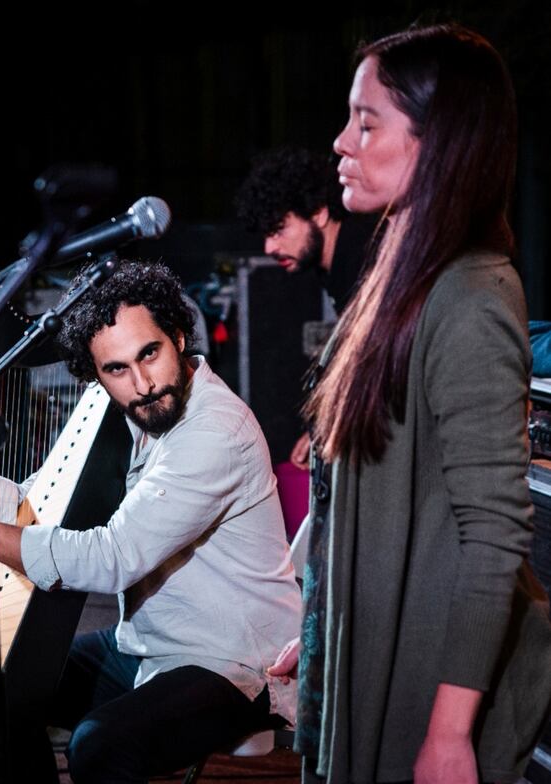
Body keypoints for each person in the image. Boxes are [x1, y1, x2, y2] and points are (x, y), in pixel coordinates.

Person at [0, 261, 301, 783]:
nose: (143, 384)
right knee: (2, 693)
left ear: (177, 337)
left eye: (150, 353)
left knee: (99, 747)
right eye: (117, 369)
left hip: (235, 662)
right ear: (95, 374)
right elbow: (41, 501)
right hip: (151, 644)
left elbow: (114, 558)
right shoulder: (128, 409)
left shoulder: (213, 430)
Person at [268, 24, 551, 784]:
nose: (341, 142)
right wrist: (328, 626)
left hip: (426, 693)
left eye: (367, 122)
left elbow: (494, 535)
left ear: (440, 141)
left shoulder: (471, 299)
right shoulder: (404, 278)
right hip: (376, 657)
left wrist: (450, 735)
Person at [235, 146, 377, 471]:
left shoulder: (365, 258)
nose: (270, 247)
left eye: (279, 229)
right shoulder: (338, 265)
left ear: (318, 212)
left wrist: (329, 425)